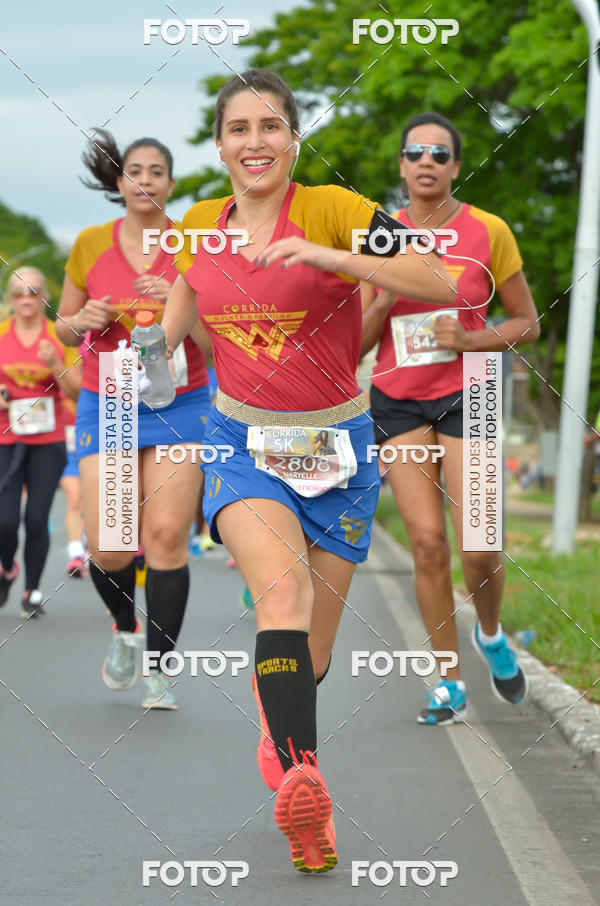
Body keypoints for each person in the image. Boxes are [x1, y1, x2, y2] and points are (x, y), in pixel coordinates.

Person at [161, 70, 456, 873]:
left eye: (271, 126)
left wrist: (328, 254)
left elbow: (438, 279)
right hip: (241, 446)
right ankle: (306, 792)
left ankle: (283, 738)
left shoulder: (335, 209)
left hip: (340, 449)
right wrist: (138, 353)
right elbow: (173, 324)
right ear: (219, 144)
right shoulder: (198, 227)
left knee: (310, 655)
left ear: (293, 138)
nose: (254, 141)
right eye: (239, 128)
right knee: (281, 597)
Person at [361, 112, 540, 725]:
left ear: (456, 166)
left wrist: (471, 340)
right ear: (402, 165)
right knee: (428, 546)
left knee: (480, 547)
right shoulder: (380, 235)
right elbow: (357, 343)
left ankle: (490, 634)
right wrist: (385, 295)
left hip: (473, 392)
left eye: (440, 153)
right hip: (398, 400)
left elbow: (526, 321)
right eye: (415, 152)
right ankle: (448, 679)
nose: (427, 162)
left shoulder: (489, 230)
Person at [55, 130, 211, 710]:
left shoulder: (194, 244)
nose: (145, 180)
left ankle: (160, 670)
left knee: (167, 537)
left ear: (171, 183)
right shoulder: (90, 244)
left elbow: (218, 341)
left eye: (156, 171)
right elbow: (62, 327)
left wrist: (181, 299)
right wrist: (84, 320)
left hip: (181, 402)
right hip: (111, 400)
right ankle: (125, 628)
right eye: (134, 171)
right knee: (110, 547)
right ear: (119, 182)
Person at [0, 268, 81, 617]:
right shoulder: (2, 334)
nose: (26, 299)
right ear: (10, 299)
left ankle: (31, 590)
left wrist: (54, 364)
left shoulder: (59, 337)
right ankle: (7, 568)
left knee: (36, 518)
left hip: (48, 440)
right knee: (5, 521)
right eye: (19, 293)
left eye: (33, 291)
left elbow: (76, 392)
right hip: (5, 438)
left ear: (44, 297)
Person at [60, 391, 88, 577]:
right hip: (66, 448)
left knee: (95, 500)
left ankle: (90, 545)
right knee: (75, 498)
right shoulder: (57, 378)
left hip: (95, 443)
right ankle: (76, 554)